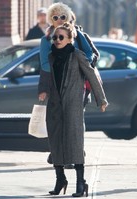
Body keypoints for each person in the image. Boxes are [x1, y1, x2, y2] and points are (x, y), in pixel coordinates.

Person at [43, 22, 108, 197]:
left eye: (61, 37)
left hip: (73, 105)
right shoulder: (51, 56)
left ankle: (81, 183)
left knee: (75, 143)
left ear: (70, 39)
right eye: (55, 37)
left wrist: (100, 99)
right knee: (55, 143)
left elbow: (92, 75)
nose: (57, 40)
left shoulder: (78, 55)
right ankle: (60, 179)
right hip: (55, 106)